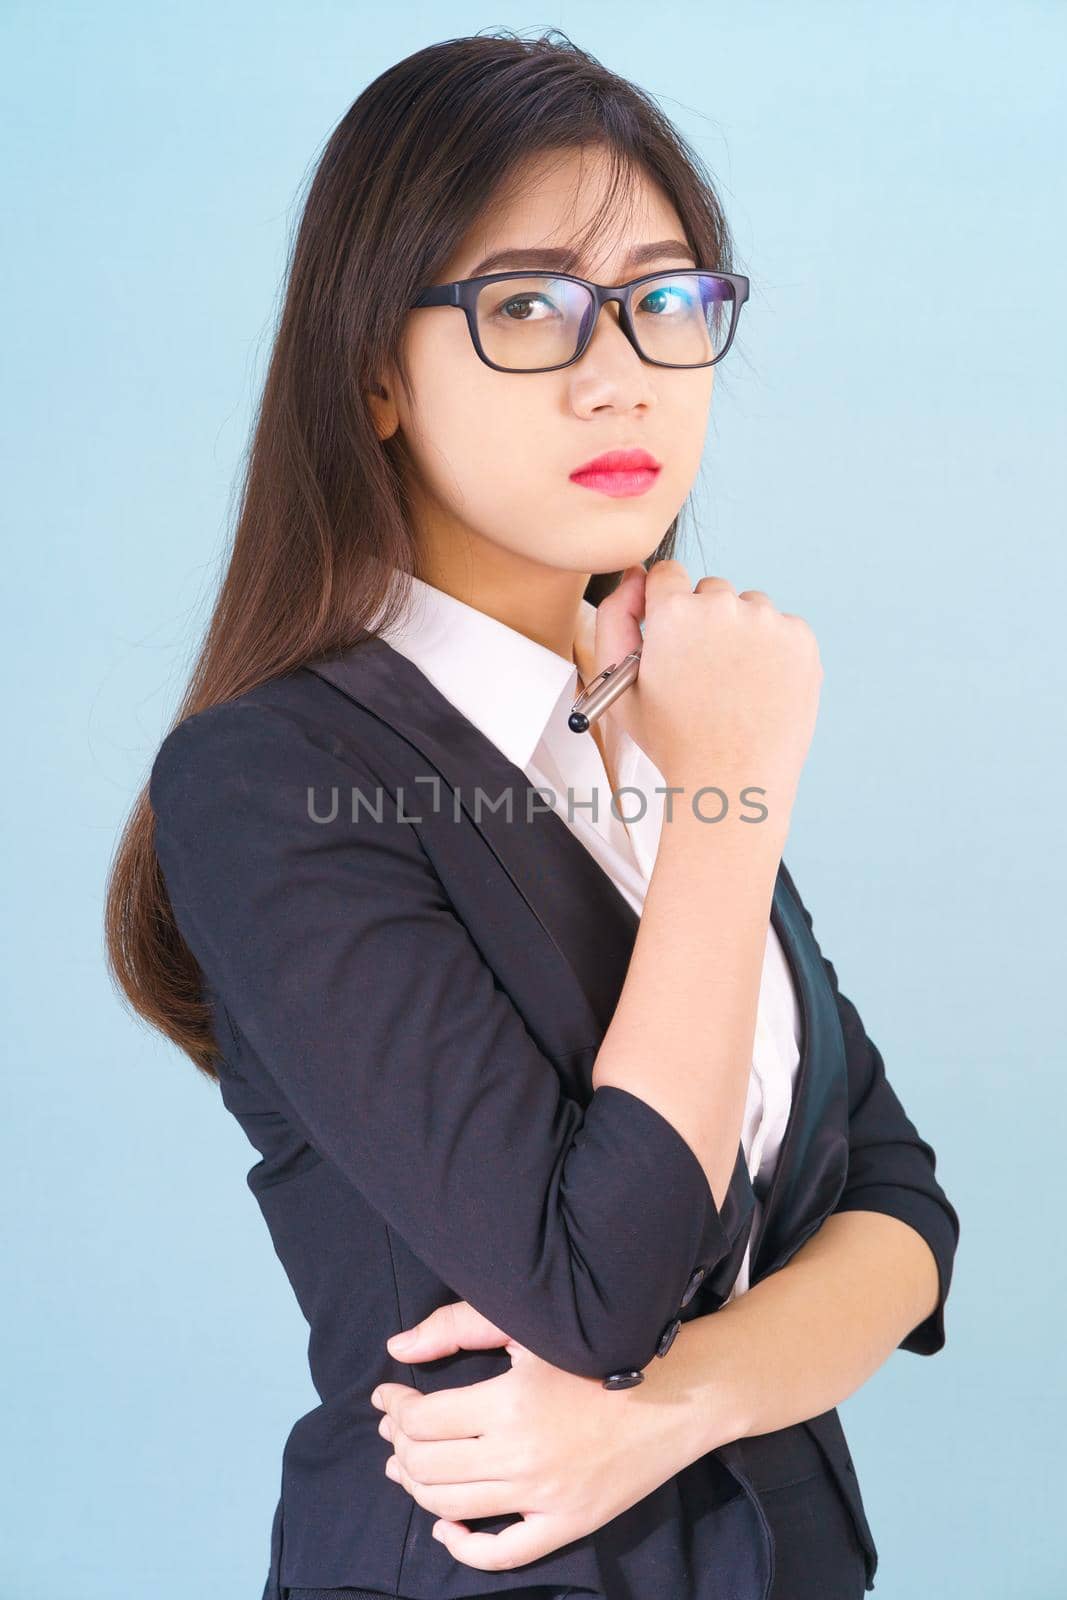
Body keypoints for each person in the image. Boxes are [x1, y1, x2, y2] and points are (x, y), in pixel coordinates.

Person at [105, 29, 960, 1600]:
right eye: (525, 306)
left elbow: (905, 1219)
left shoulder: (668, 716)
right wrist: (735, 796)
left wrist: (675, 1414)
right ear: (372, 371)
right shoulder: (273, 778)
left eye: (664, 299)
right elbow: (596, 1285)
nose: (618, 366)